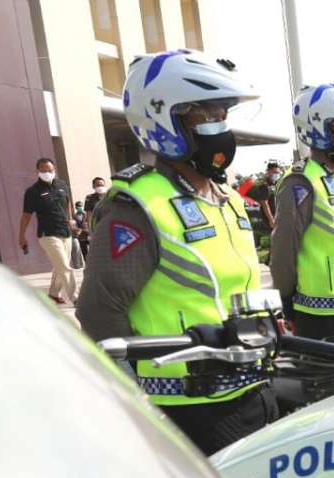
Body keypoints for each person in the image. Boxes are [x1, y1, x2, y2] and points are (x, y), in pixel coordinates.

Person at [76, 49, 275, 455]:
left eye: (223, 115)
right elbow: (99, 312)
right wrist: (136, 409)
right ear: (163, 118)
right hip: (186, 408)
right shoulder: (136, 206)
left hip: (251, 389)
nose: (220, 127)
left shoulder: (226, 198)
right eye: (207, 115)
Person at [270, 83, 334, 343]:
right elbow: (284, 247)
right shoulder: (301, 181)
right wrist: (285, 298)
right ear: (317, 128)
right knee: (329, 383)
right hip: (320, 312)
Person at [19, 156, 78, 305]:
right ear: (37, 171)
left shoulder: (62, 185)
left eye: (50, 170)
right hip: (48, 234)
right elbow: (26, 215)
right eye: (43, 170)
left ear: (54, 169)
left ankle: (53, 294)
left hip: (65, 232)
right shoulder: (32, 191)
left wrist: (71, 219)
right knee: (65, 266)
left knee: (60, 266)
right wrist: (22, 236)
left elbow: (67, 204)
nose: (47, 173)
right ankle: (76, 298)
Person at [247, 160, 283, 230]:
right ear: (268, 172)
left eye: (278, 173)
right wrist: (271, 220)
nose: (277, 175)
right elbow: (265, 204)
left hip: (277, 216)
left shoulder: (275, 184)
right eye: (275, 172)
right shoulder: (265, 185)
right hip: (270, 218)